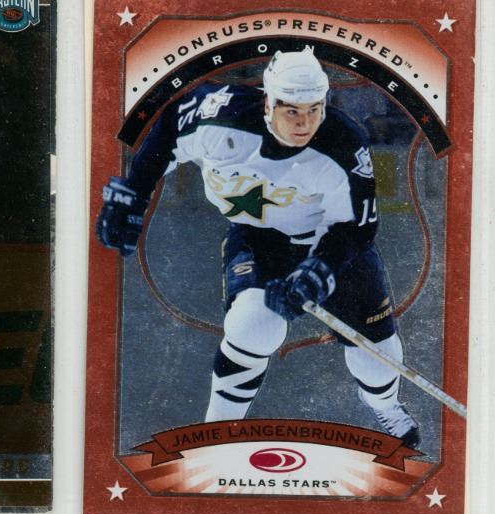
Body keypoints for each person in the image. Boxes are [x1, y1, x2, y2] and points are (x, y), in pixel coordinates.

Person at [95, 47, 419, 445]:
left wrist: (319, 270)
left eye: (314, 109)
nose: (304, 123)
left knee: (378, 358)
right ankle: (216, 433)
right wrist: (133, 193)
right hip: (258, 238)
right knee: (253, 326)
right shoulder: (220, 116)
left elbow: (357, 227)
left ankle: (385, 404)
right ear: (268, 102)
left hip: (330, 244)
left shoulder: (344, 143)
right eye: (292, 110)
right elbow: (170, 127)